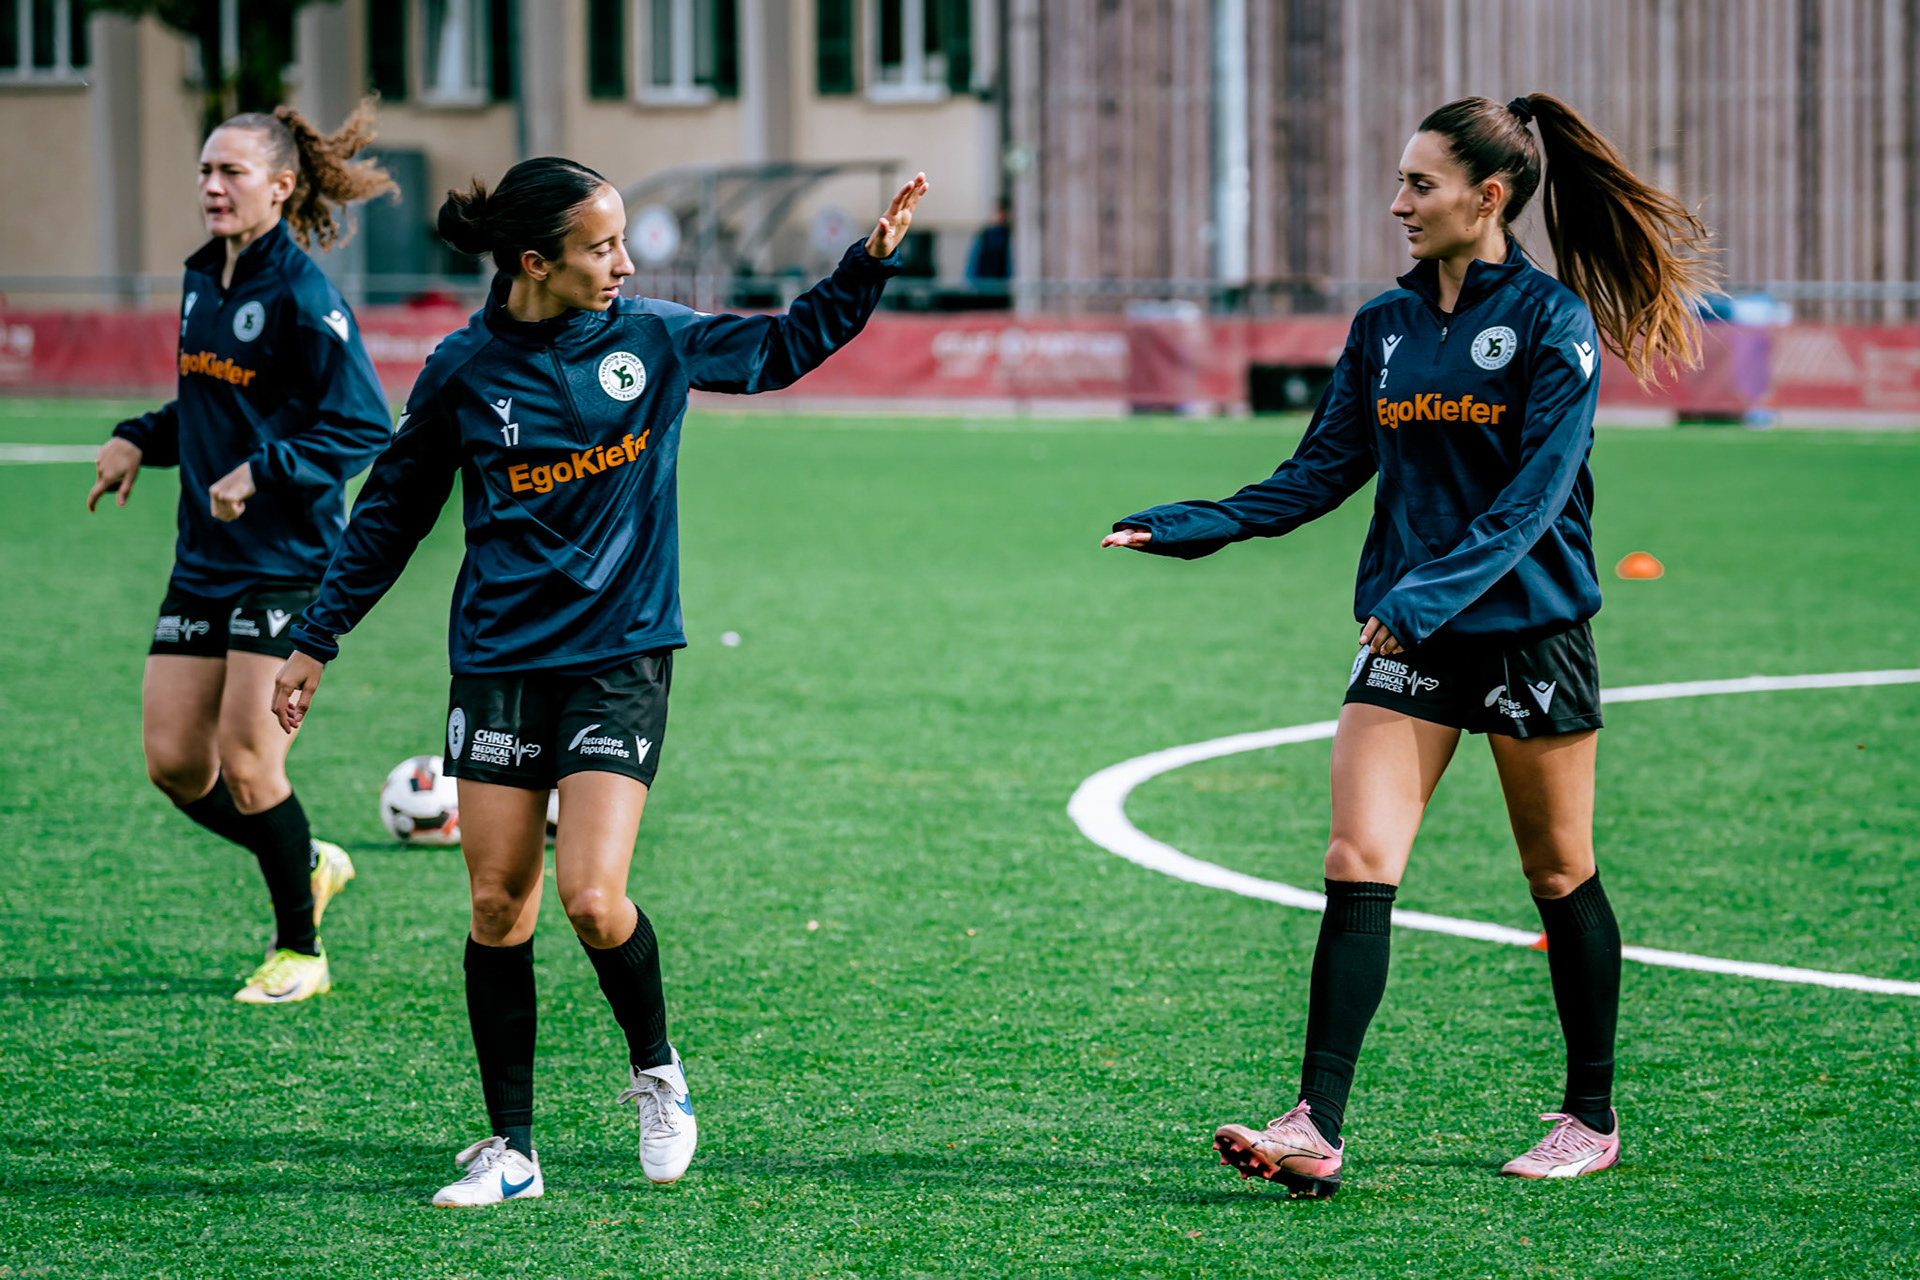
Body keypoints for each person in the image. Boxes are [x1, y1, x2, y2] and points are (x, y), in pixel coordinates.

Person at [270, 158, 930, 1207]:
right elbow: (391, 511)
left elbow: (778, 350)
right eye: (602, 247)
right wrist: (317, 638)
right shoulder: (461, 369)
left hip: (621, 655)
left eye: (623, 242)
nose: (625, 262)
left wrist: (869, 265)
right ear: (535, 261)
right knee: (496, 903)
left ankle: (657, 1069)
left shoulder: (652, 338)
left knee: (590, 895)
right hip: (497, 662)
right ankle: (513, 1148)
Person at [1103, 94, 1711, 1196]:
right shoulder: (1383, 327)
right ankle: (1314, 1123)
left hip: (1527, 630)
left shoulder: (1551, 321)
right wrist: (1200, 523)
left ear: (1489, 196)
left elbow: (1531, 503)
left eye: (1419, 185)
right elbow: (1317, 471)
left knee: (1559, 868)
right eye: (1398, 181)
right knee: (1355, 862)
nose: (1398, 203)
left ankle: (1590, 1112)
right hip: (1411, 631)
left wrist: (1426, 591)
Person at [88, 104, 396, 1005]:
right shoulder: (201, 281)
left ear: (282, 185)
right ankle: (306, 856)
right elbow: (213, 411)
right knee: (175, 763)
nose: (213, 187)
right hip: (204, 558)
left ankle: (301, 950)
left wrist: (265, 471)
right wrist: (139, 438)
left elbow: (363, 424)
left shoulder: (305, 296)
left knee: (252, 762)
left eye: (232, 173)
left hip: (288, 561)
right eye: (205, 172)